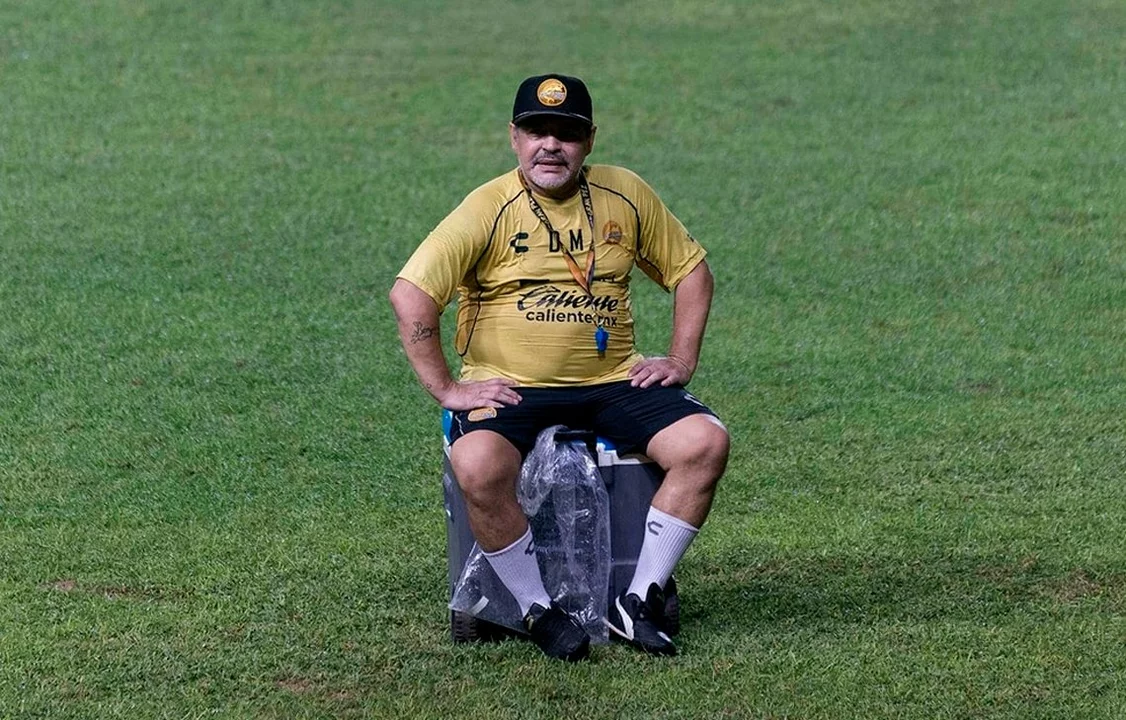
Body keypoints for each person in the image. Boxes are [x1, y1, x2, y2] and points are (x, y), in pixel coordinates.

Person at [390, 73, 729, 661]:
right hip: (512, 387)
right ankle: (536, 610)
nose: (551, 145)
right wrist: (446, 388)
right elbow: (411, 295)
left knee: (704, 443)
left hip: (612, 381)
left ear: (589, 140)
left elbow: (692, 273)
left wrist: (680, 358)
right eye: (536, 131)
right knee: (476, 464)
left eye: (566, 134)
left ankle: (639, 600)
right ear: (514, 138)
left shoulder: (625, 194)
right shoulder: (487, 208)